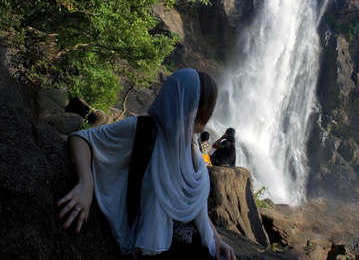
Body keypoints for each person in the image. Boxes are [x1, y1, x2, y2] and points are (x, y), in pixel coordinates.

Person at [57, 69, 236, 260]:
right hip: (154, 248)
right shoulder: (143, 129)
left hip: (193, 244)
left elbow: (195, 205)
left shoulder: (189, 143)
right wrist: (86, 183)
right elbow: (82, 138)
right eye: (206, 106)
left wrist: (215, 238)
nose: (207, 114)